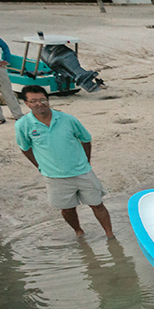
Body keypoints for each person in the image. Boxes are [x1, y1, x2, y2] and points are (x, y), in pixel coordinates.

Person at [15, 85, 114, 238]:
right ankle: (78, 232)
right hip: (54, 176)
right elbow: (25, 148)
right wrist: (40, 166)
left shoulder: (68, 119)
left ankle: (110, 235)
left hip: (82, 172)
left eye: (42, 99)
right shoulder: (23, 125)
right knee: (67, 209)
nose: (39, 104)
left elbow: (85, 139)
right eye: (33, 101)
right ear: (26, 103)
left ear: (48, 100)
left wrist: (86, 162)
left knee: (97, 204)